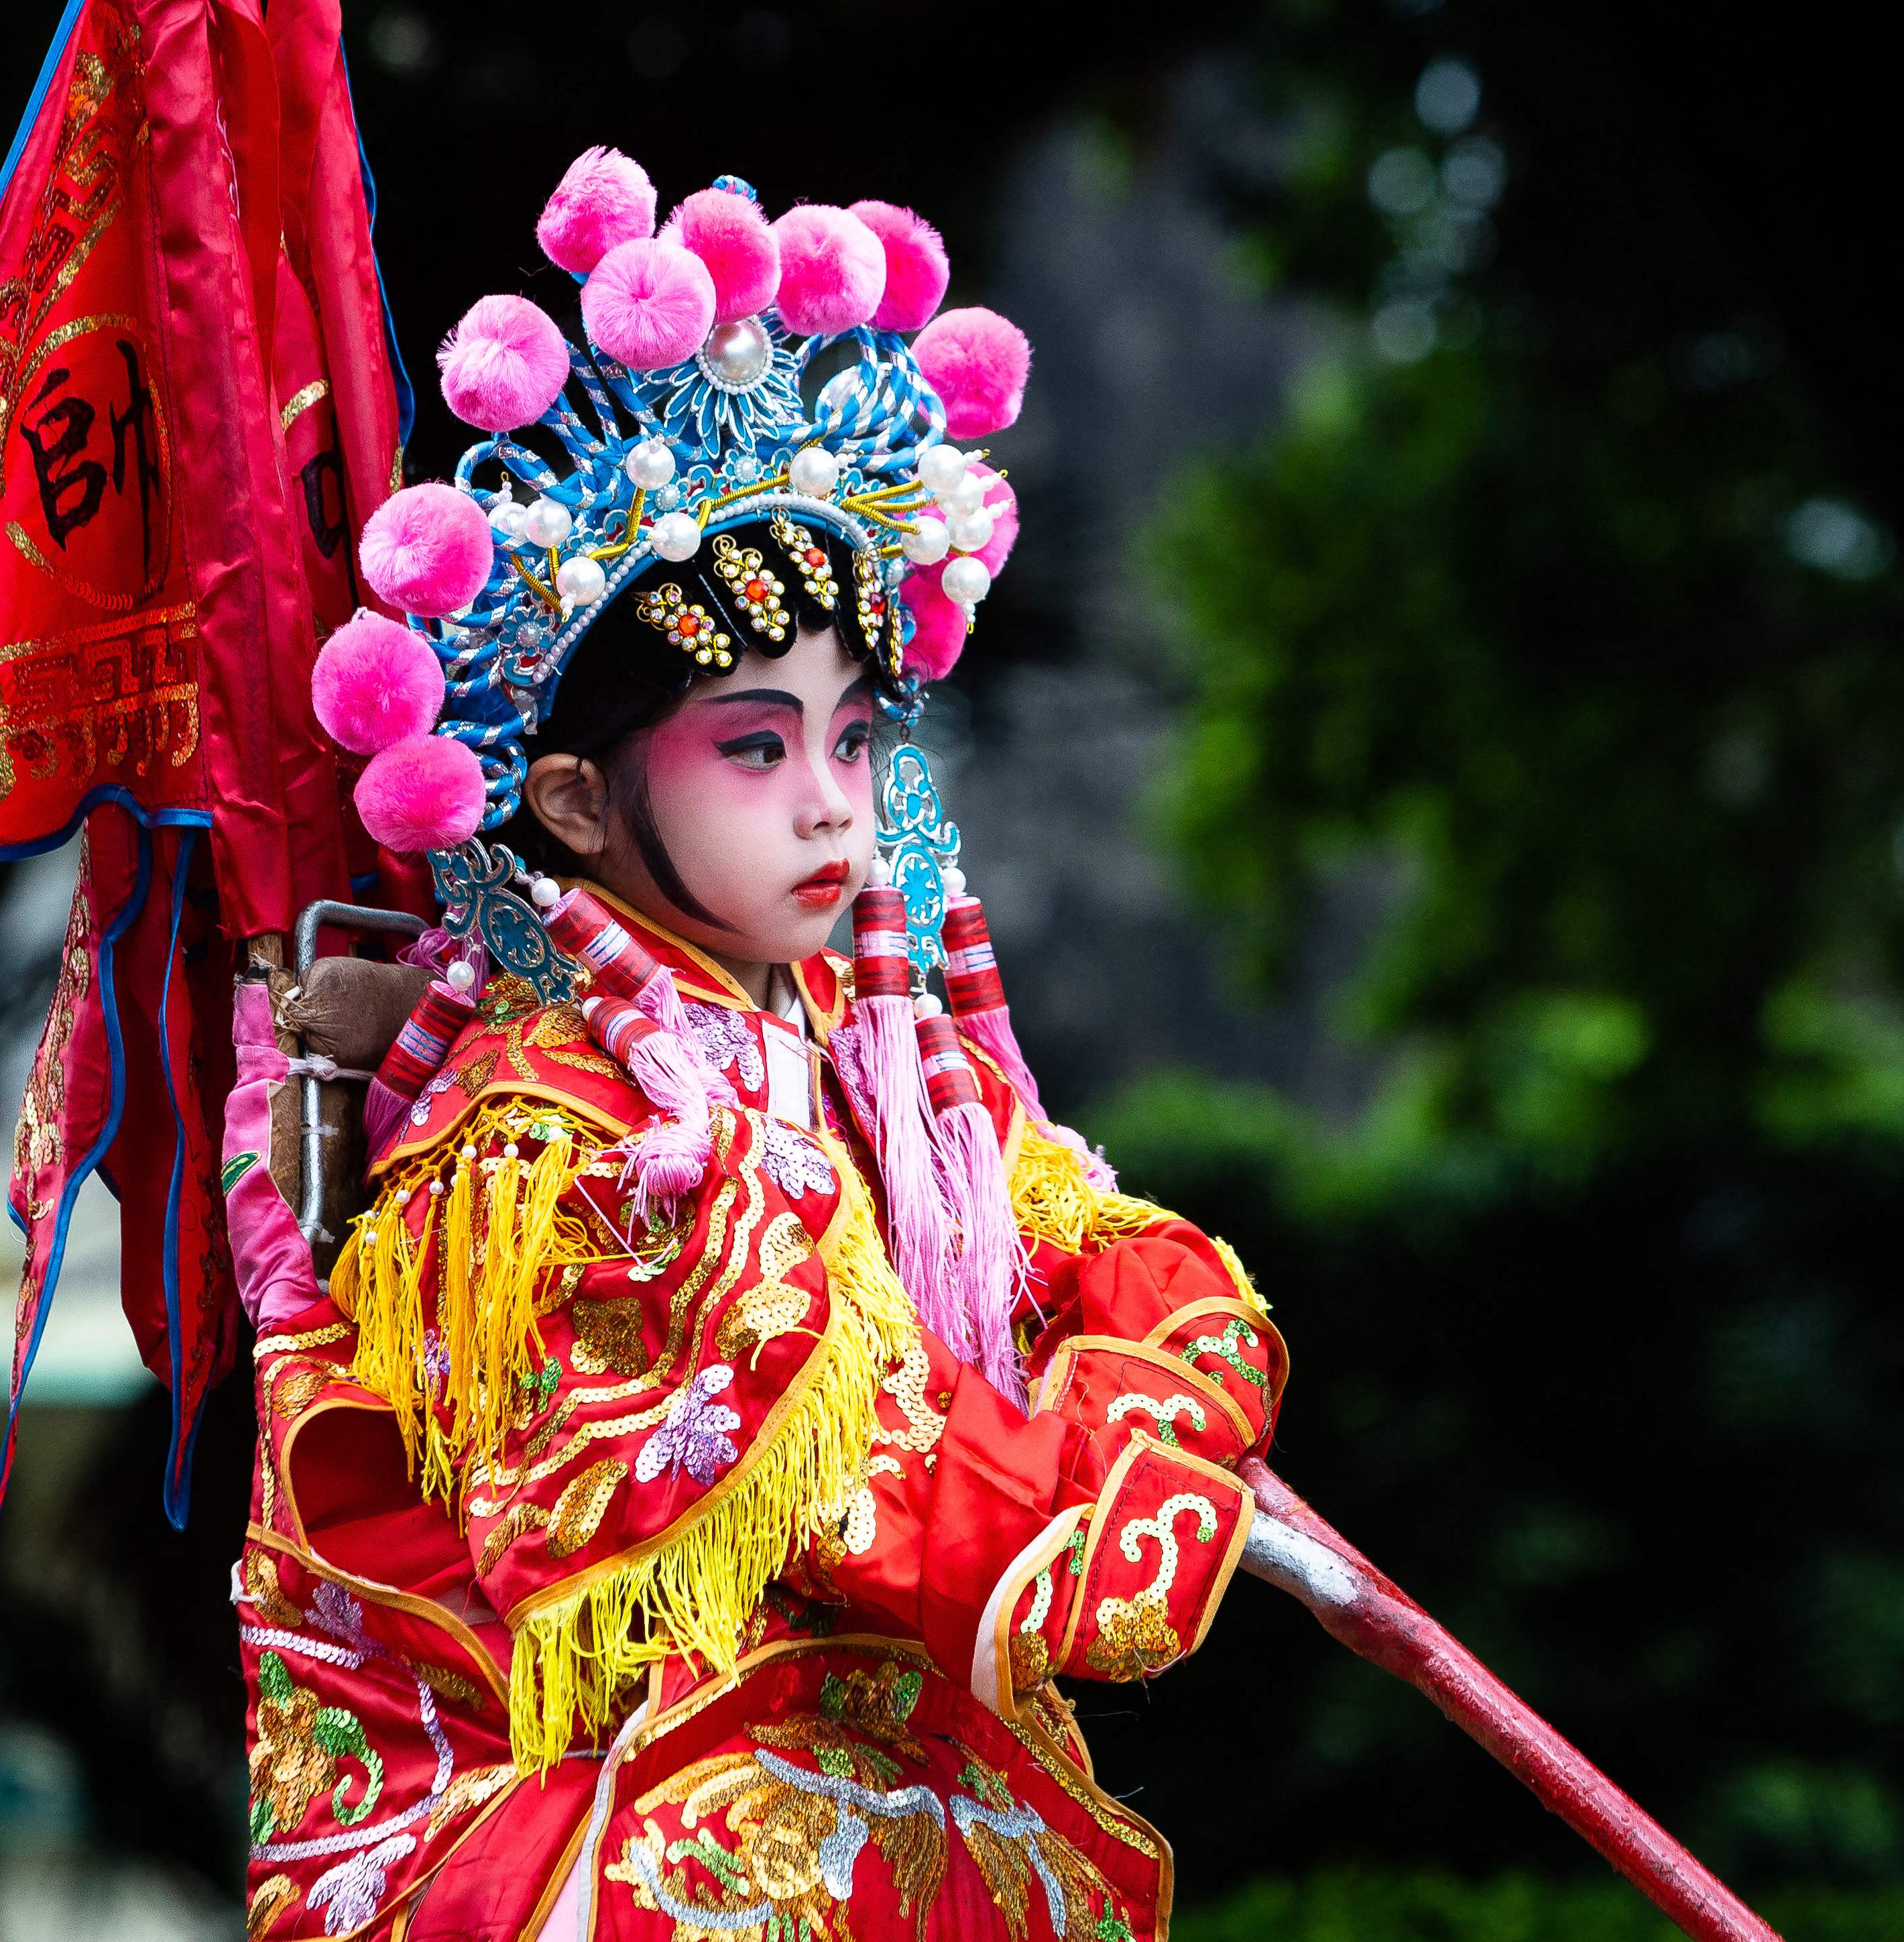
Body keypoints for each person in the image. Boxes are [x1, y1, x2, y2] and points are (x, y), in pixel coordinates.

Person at [208, 155, 1287, 1941]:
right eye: (752, 746)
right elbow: (1039, 1559)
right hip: (604, 1858)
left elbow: (1075, 1257)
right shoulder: (574, 1146)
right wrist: (1182, 1362)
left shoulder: (855, 1071)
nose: (831, 807)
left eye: (855, 741)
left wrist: (1133, 1338)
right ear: (568, 795)